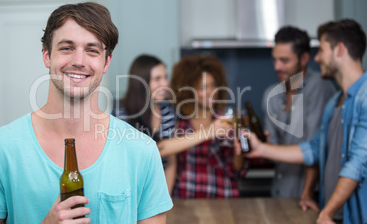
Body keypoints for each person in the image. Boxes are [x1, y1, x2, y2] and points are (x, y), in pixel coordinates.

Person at [0, 2, 172, 224]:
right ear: (46, 55)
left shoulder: (141, 151)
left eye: (92, 50)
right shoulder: (0, 148)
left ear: (106, 63)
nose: (79, 61)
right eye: (67, 48)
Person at [246, 19, 367, 224]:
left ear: (340, 50)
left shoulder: (363, 96)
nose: (317, 57)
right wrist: (261, 148)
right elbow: (313, 149)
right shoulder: (336, 101)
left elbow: (357, 164)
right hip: (336, 218)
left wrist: (325, 211)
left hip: (359, 221)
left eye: (321, 50)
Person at [262, 26, 336, 198]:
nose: (277, 66)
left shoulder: (319, 87)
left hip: (311, 196)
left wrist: (307, 194)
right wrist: (263, 144)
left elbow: (315, 149)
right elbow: (273, 150)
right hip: (280, 191)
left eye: (284, 60)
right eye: (275, 59)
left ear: (304, 58)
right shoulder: (271, 96)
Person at [158, 55, 245, 199]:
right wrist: (209, 131)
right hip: (186, 199)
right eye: (203, 87)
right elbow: (160, 150)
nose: (210, 91)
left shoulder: (226, 121)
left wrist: (239, 150)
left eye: (213, 85)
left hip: (223, 199)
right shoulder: (178, 122)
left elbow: (237, 170)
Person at [112, 54, 177, 193]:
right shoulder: (120, 112)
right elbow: (144, 154)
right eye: (157, 79)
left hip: (160, 191)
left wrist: (166, 197)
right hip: (129, 191)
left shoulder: (168, 111)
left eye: (165, 77)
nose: (165, 83)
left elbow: (171, 160)